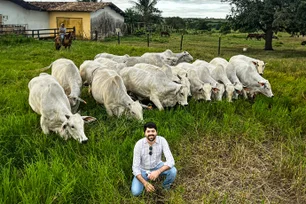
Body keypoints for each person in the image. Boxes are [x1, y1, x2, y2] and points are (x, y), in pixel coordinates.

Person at [131, 122, 177, 196]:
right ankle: (146, 181)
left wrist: (158, 172)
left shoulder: (162, 140)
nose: (151, 133)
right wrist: (145, 183)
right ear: (144, 133)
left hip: (157, 166)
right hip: (143, 169)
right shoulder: (139, 144)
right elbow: (135, 167)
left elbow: (171, 161)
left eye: (153, 131)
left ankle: (165, 187)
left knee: (173, 171)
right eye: (148, 131)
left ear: (156, 132)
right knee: (135, 192)